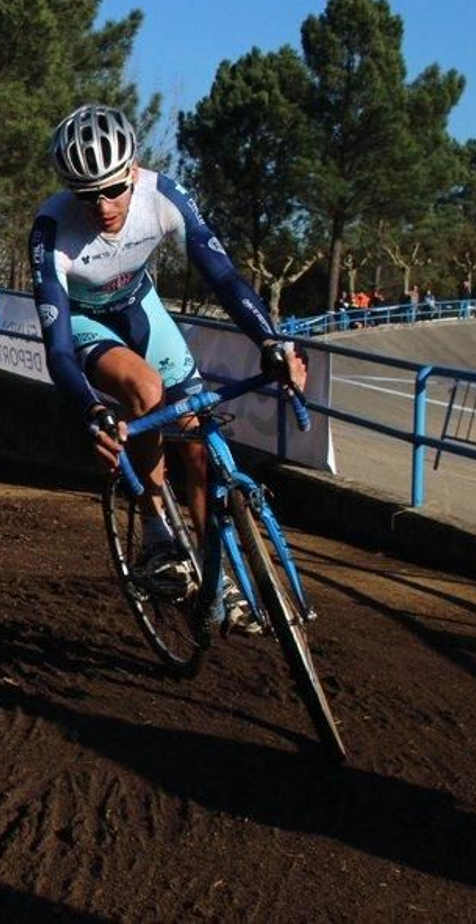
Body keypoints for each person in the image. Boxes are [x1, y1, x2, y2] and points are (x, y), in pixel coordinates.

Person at [30, 104, 305, 632]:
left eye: (113, 189)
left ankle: (215, 573)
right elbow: (59, 350)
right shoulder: (51, 230)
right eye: (87, 195)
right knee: (145, 388)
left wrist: (273, 343)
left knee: (197, 444)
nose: (104, 205)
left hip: (140, 309)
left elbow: (223, 277)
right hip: (86, 323)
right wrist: (90, 410)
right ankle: (158, 536)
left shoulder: (164, 195)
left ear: (132, 171)